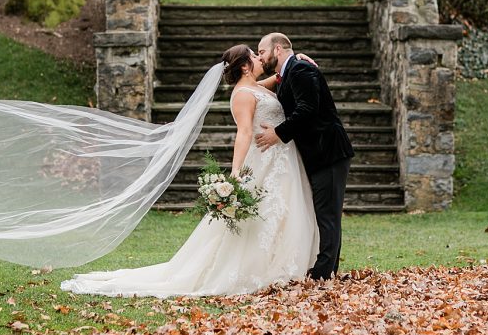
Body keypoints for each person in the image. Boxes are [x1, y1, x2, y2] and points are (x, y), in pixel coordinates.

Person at [58, 45, 319, 296]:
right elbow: (244, 133)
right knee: (262, 215)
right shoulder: (242, 94)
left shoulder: (254, 87)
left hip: (282, 159)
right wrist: (236, 171)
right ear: (244, 67)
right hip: (264, 159)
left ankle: (284, 264)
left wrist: (296, 60)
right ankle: (260, 269)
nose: (259, 57)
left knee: (282, 211)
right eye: (254, 55)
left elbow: (278, 77)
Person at [255, 33, 354, 280]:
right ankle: (326, 269)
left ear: (277, 49)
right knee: (324, 212)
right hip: (317, 154)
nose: (260, 57)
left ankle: (323, 271)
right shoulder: (290, 71)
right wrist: (246, 84)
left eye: (262, 51)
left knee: (327, 214)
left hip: (328, 151)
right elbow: (276, 83)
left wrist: (278, 133)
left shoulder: (300, 70)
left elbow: (307, 110)